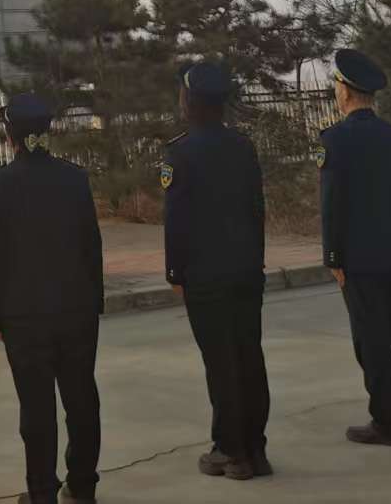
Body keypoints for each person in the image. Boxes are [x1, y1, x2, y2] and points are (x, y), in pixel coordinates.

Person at [0, 93, 105, 504]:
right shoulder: (74, 179)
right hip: (77, 310)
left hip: (24, 316)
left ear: (10, 136)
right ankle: (83, 485)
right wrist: (94, 301)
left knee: (35, 408)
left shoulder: (0, 185)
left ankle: (41, 492)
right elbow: (91, 245)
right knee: (81, 399)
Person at [162, 60, 273, 481]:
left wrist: (175, 273)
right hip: (245, 270)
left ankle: (231, 451)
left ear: (190, 101)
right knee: (249, 356)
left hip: (204, 275)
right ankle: (256, 449)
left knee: (221, 362)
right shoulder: (242, 147)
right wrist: (256, 262)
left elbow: (176, 221)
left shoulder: (181, 152)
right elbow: (257, 210)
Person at [318, 48, 391, 447]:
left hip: (358, 257)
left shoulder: (335, 140)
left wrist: (333, 255)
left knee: (372, 339)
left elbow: (332, 203)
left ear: (346, 92)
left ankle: (386, 421)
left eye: (336, 86)